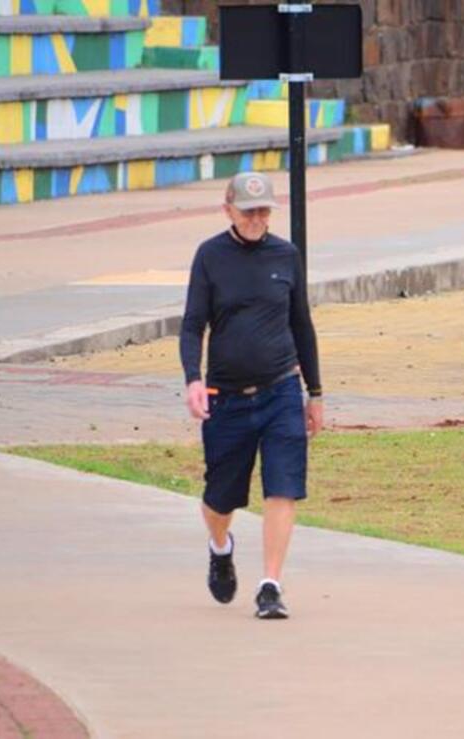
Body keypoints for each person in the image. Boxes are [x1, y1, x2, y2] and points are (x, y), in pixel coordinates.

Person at [180, 171, 323, 620]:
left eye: (264, 211)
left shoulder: (287, 255)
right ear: (228, 210)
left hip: (281, 389)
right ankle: (220, 546)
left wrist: (314, 393)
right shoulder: (210, 256)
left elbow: (302, 324)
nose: (258, 219)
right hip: (226, 396)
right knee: (219, 499)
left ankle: (270, 585)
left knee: (283, 487)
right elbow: (191, 325)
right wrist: (193, 378)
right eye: (249, 211)